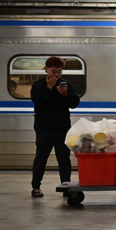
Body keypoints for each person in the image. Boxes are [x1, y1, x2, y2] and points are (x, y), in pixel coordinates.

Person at [30, 56, 80, 198]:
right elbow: (37, 101)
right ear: (46, 69)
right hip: (43, 128)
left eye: (59, 72)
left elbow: (74, 103)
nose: (56, 75)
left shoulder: (66, 84)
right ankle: (36, 187)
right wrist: (49, 88)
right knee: (41, 158)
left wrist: (65, 95)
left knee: (64, 158)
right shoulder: (38, 85)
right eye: (54, 71)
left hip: (62, 128)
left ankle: (66, 185)